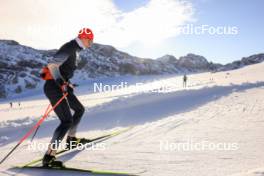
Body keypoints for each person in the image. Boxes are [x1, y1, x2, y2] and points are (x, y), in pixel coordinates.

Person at [41, 28, 94, 167]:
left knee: (79, 109)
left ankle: (70, 140)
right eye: (90, 40)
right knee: (66, 121)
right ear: (83, 38)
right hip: (54, 87)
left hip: (62, 86)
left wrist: (67, 84)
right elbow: (52, 65)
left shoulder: (76, 50)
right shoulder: (70, 47)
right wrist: (60, 82)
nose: (91, 43)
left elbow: (63, 70)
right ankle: (49, 157)